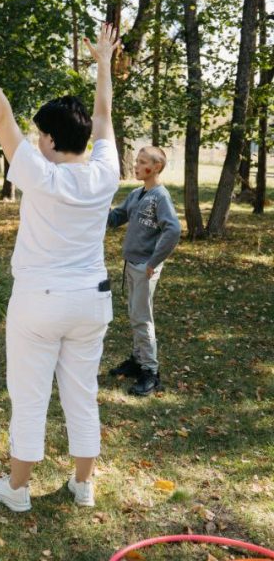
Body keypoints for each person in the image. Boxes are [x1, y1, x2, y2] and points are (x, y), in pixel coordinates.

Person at [0, 18, 121, 511]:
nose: (34, 142)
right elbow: (103, 117)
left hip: (39, 302)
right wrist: (103, 64)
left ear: (53, 141)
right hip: (90, 302)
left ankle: (17, 490)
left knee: (30, 397)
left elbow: (0, 117)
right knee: (82, 393)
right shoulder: (105, 172)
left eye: (39, 136)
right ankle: (83, 485)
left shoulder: (41, 174)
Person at [107, 146, 180, 396]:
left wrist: (153, 261)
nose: (136, 166)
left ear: (156, 167)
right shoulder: (139, 193)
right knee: (134, 313)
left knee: (142, 318)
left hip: (144, 267)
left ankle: (150, 372)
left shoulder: (160, 197)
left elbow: (173, 230)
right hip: (132, 264)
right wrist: (93, 209)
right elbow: (117, 217)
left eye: (142, 162)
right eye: (136, 161)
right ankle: (138, 361)